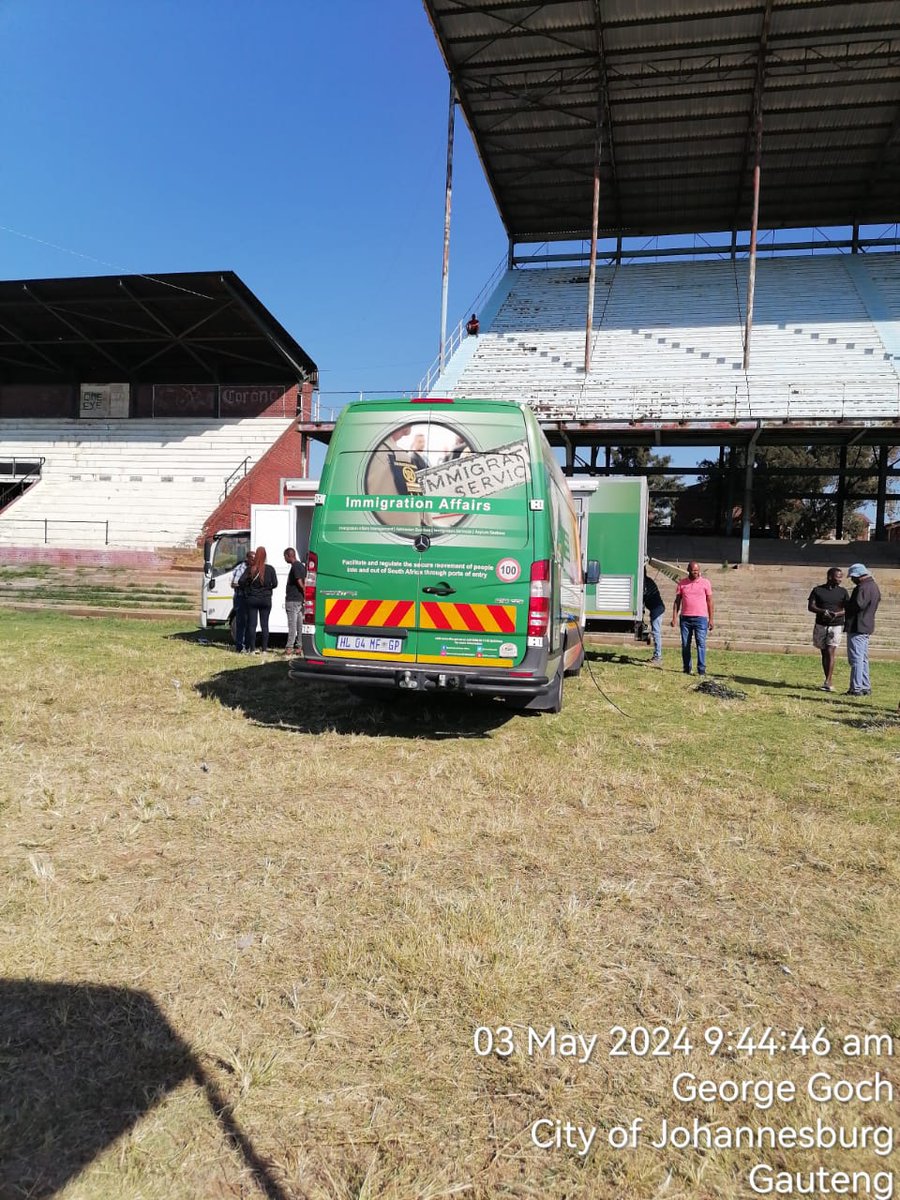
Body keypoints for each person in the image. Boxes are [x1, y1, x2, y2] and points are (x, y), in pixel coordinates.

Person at [807, 566, 850, 692]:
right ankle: (827, 678)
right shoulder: (817, 590)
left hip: (836, 625)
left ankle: (829, 681)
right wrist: (823, 611)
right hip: (821, 624)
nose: (840, 579)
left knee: (831, 650)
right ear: (830, 577)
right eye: (838, 577)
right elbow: (811, 606)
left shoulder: (843, 592)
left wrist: (837, 614)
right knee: (824, 652)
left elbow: (848, 608)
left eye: (841, 577)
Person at [671, 560, 714, 676]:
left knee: (701, 643)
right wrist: (674, 617)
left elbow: (710, 602)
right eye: (693, 570)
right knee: (685, 644)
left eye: (697, 570)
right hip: (685, 619)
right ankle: (686, 668)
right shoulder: (682, 583)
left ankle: (701, 669)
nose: (695, 572)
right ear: (688, 570)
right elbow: (677, 602)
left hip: (701, 618)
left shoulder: (706, 583)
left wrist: (711, 619)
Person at [844, 563, 881, 697]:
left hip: (858, 626)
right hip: (866, 625)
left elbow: (858, 605)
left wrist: (845, 604)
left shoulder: (863, 587)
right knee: (863, 658)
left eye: (852, 577)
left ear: (858, 576)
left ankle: (856, 688)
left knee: (856, 659)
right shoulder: (874, 586)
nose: (852, 580)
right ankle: (865, 686)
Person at [241, 545, 278, 654]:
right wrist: (267, 588)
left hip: (252, 599)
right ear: (265, 556)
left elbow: (240, 582)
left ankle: (252, 649)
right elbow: (275, 584)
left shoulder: (250, 569)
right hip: (266, 599)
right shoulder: (270, 569)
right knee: (265, 625)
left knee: (252, 625)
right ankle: (264, 649)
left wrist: (248, 585)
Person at [283, 547, 306, 655]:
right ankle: (299, 647)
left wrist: (304, 591)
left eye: (285, 556)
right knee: (299, 624)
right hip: (299, 600)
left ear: (288, 555)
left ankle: (289, 647)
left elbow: (300, 582)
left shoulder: (295, 567)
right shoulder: (301, 566)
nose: (284, 559)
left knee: (292, 624)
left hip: (293, 599)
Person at [231, 550, 253, 653]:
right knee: (241, 623)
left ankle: (248, 646)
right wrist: (244, 584)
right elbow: (234, 584)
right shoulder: (241, 568)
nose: (254, 560)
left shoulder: (253, 568)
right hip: (240, 598)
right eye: (252, 558)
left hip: (249, 598)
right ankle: (240, 646)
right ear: (247, 558)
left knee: (250, 623)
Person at [642, 571, 665, 666]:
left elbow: (642, 597)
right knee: (656, 632)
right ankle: (657, 655)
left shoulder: (644, 583)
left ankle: (658, 657)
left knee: (656, 633)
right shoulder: (648, 581)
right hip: (657, 608)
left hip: (656, 609)